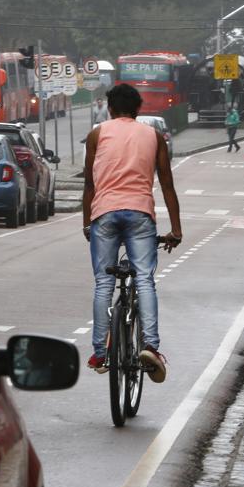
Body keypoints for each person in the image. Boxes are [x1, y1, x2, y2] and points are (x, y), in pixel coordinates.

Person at [82, 83, 181, 383]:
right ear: (138, 109)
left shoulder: (97, 134)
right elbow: (166, 184)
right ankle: (150, 347)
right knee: (144, 279)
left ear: (110, 108)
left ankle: (100, 352)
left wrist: (87, 223)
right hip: (140, 214)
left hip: (105, 214)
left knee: (103, 282)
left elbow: (90, 184)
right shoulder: (153, 136)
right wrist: (176, 229)